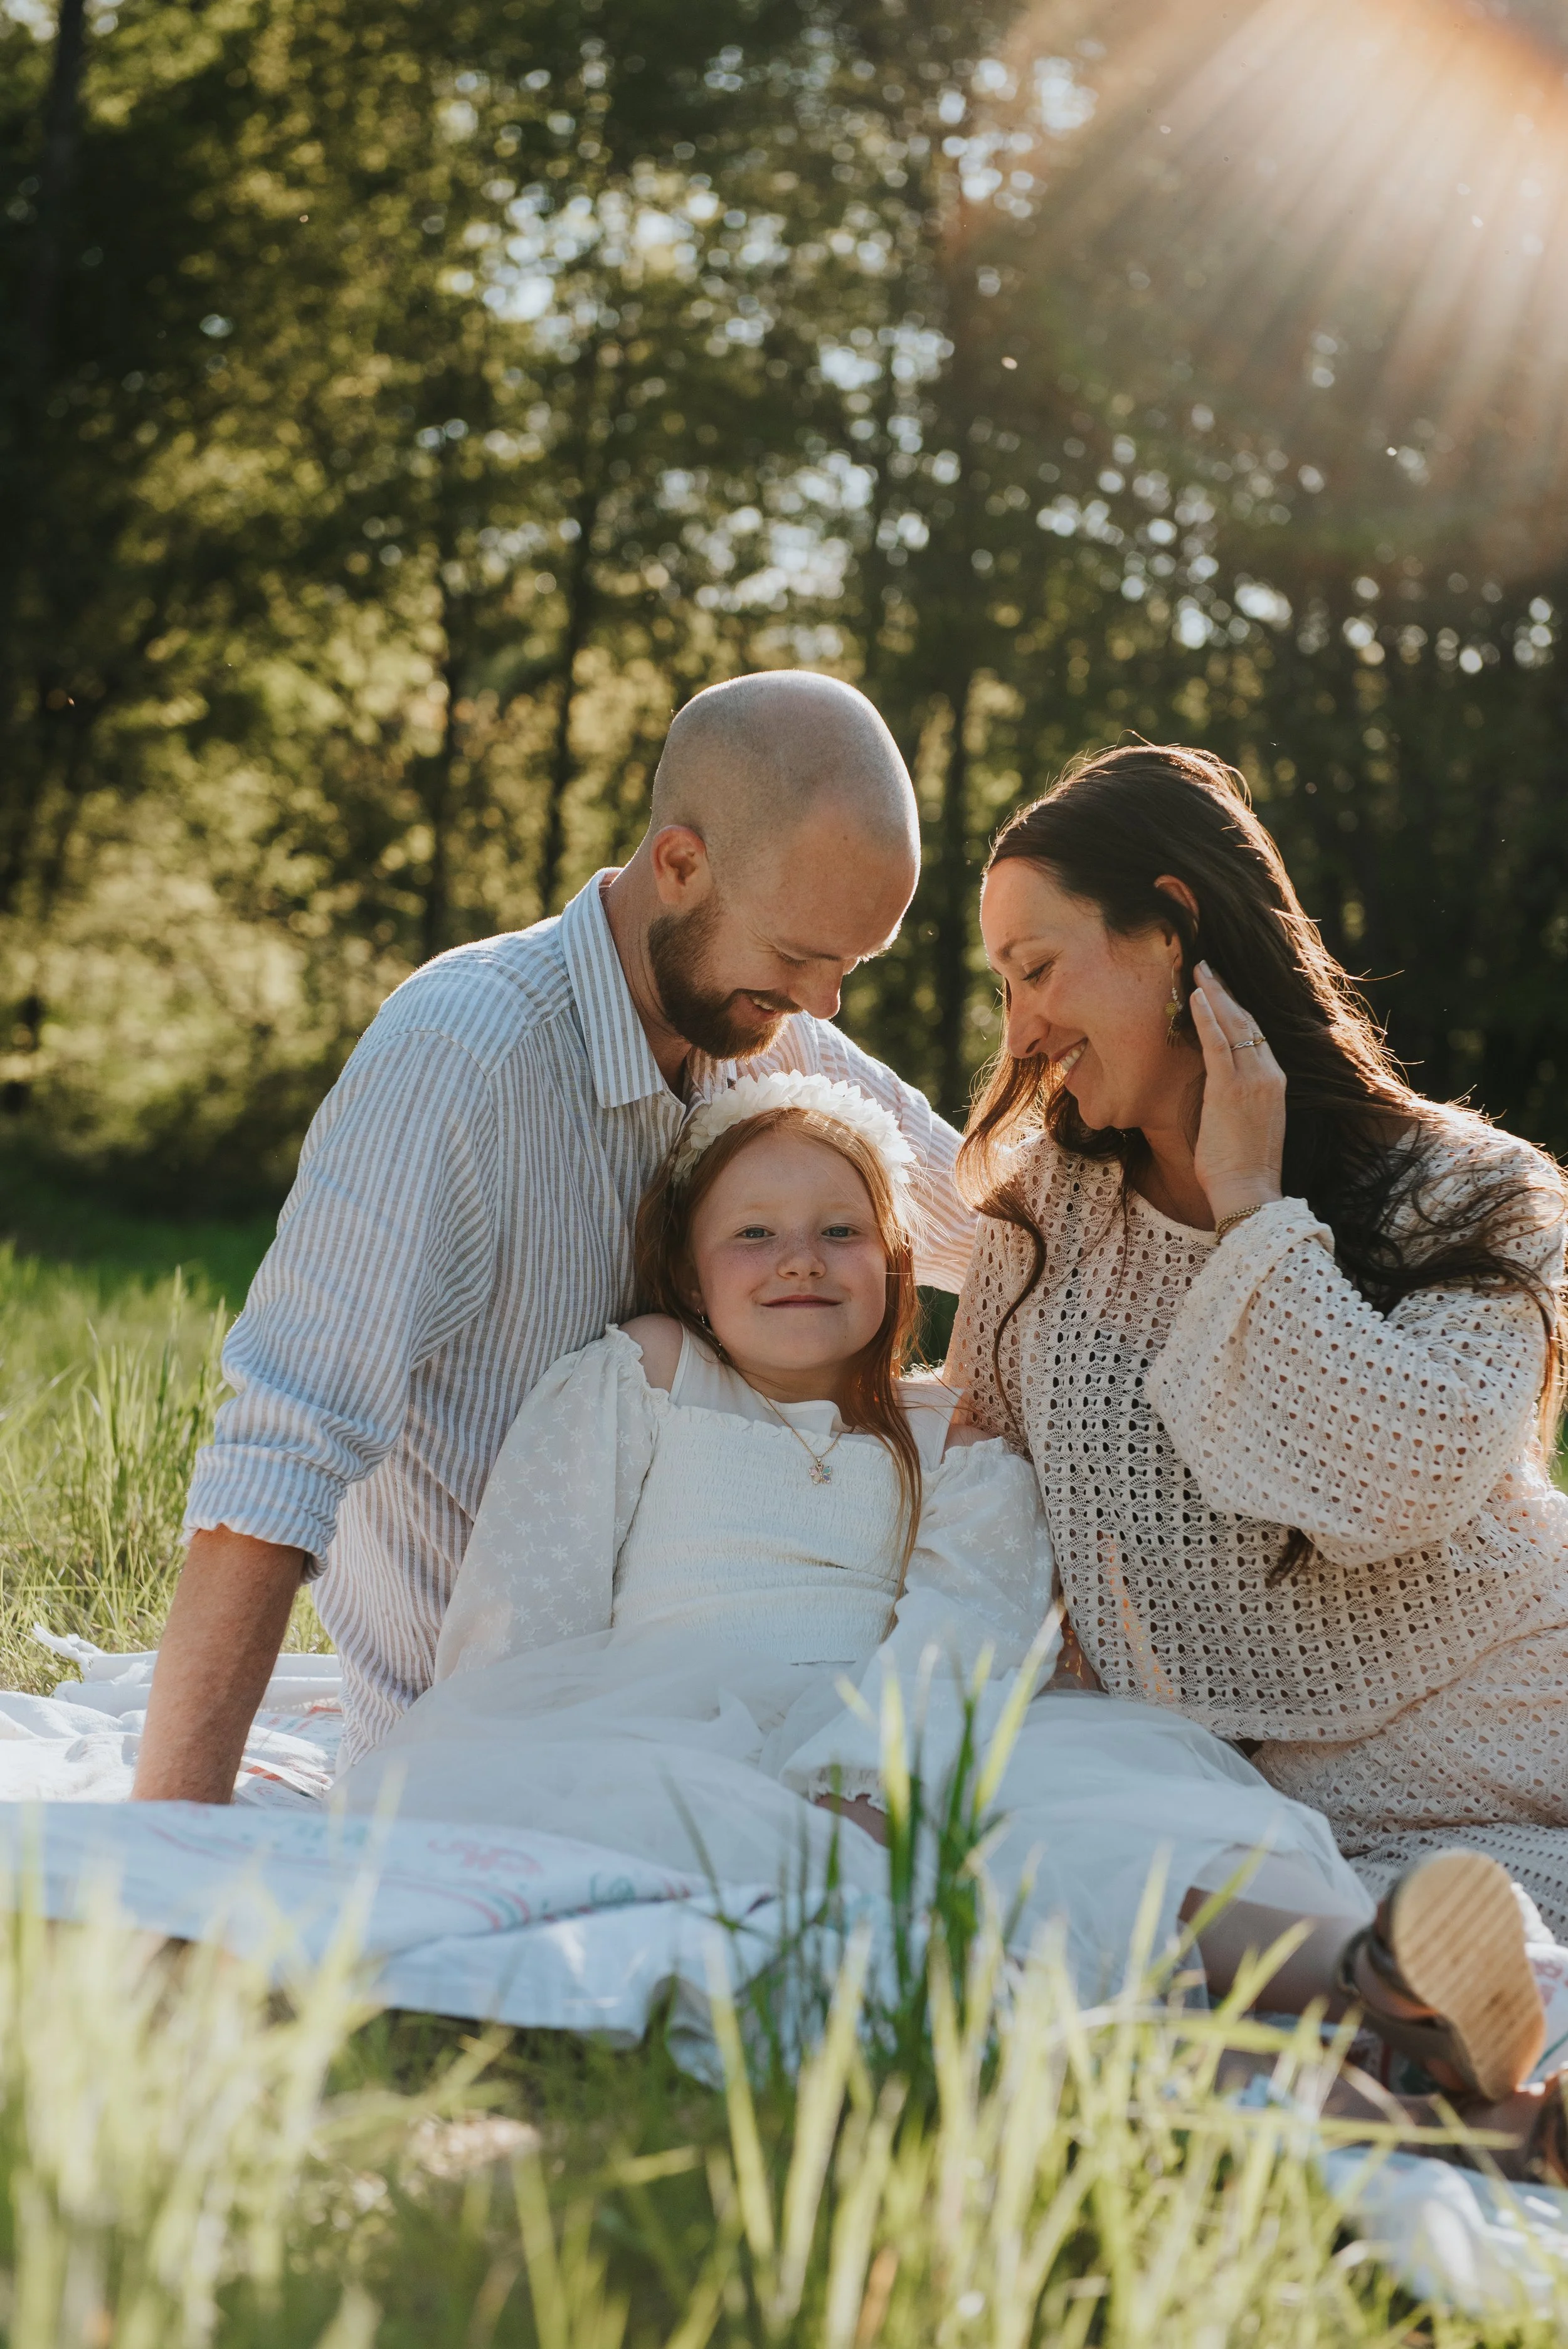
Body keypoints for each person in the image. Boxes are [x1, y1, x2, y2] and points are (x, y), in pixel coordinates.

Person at [341, 1072, 1565, 2164]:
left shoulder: (951, 1431)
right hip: (668, 1741)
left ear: (893, 1260)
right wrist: (515, 1760)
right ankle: (1441, 2122)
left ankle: (1376, 1975)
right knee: (991, 1981)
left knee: (1118, 1853)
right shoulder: (650, 1370)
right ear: (688, 1273)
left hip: (912, 1744)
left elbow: (969, 1622)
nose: (799, 1259)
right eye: (752, 1234)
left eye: (839, 1231)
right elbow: (529, 1598)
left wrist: (868, 1776)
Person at [134, 672, 975, 1802]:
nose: (825, 1003)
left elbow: (998, 1229)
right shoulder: (462, 1059)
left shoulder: (770, 1034)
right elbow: (285, 1443)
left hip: (772, 1741)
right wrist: (171, 1836)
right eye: (797, 954)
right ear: (680, 865)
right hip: (485, 1759)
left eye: (851, 964)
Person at [946, 740, 1568, 1939]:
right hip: (1248, 1818)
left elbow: (1401, 1477)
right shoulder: (1043, 1217)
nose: (1018, 1034)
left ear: (1170, 930)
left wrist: (1252, 1210)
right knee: (1341, 1975)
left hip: (1522, 1731)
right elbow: (978, 1487)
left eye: (1038, 970)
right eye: (1003, 989)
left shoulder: (1482, 1192)